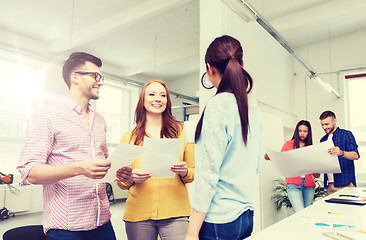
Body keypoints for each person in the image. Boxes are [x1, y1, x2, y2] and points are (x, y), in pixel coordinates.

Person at [17, 52, 117, 240]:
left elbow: (101, 161)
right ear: (75, 77)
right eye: (95, 76)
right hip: (66, 226)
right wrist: (79, 168)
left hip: (102, 221)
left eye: (101, 77)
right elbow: (29, 171)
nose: (100, 82)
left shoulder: (100, 120)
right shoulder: (46, 116)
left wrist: (118, 170)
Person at [185, 35, 262, 240]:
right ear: (242, 64)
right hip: (245, 216)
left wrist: (192, 231)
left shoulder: (218, 105)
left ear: (210, 69)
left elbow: (207, 174)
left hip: (219, 220)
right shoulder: (252, 106)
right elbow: (255, 165)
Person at [116, 79, 195, 240]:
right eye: (151, 94)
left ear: (167, 101)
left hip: (175, 212)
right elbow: (120, 180)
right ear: (142, 101)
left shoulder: (182, 132)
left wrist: (185, 171)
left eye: (163, 95)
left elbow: (193, 172)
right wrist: (131, 177)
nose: (158, 98)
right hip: (139, 213)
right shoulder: (129, 137)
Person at [265, 120, 320, 213]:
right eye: (300, 131)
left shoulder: (312, 147)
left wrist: (314, 168)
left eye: (305, 131)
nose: (302, 133)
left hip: (309, 186)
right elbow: (281, 161)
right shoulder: (288, 145)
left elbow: (317, 175)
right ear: (296, 131)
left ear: (309, 132)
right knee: (300, 213)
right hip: (293, 185)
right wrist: (272, 158)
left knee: (306, 214)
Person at [319, 110, 360, 195]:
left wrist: (342, 153)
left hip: (346, 184)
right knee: (331, 209)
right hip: (330, 185)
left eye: (327, 124)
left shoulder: (346, 134)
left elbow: (356, 155)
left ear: (334, 121)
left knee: (348, 208)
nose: (324, 127)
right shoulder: (323, 140)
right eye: (322, 125)